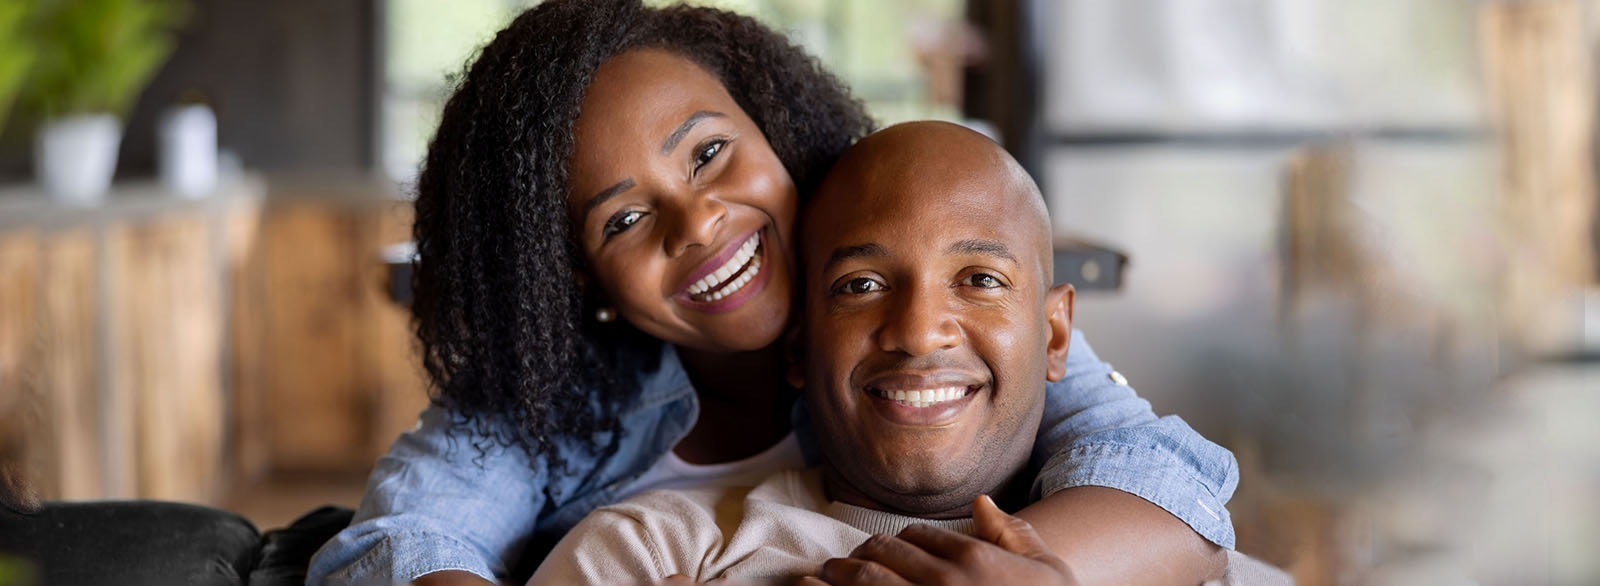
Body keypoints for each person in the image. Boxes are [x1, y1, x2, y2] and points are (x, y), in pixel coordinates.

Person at [308, 2, 1238, 585]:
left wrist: (1041, 575)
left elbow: (1165, 482)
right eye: (623, 221)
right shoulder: (548, 410)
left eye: (711, 154)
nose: (699, 223)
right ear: (573, 277)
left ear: (776, 130)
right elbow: (404, 539)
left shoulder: (931, 332)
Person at [528, 121, 1285, 586]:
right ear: (800, 348)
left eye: (980, 279)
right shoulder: (647, 556)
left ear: (1055, 335)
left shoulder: (1172, 555)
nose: (921, 331)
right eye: (861, 284)